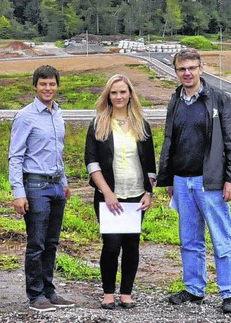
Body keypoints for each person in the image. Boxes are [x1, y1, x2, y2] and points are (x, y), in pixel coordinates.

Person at [156, 48, 231, 314]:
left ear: (201, 69)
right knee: (190, 240)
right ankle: (194, 289)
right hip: (182, 182)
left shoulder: (219, 100)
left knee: (221, 238)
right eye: (182, 69)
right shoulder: (176, 100)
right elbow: (170, 140)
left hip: (211, 182)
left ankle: (230, 293)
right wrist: (169, 177)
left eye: (192, 67)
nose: (187, 73)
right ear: (176, 71)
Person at [84, 74, 156, 310]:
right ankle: (107, 293)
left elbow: (150, 164)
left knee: (132, 244)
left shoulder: (141, 124)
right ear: (108, 95)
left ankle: (126, 293)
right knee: (112, 245)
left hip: (136, 195)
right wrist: (107, 192)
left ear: (130, 94)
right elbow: (92, 163)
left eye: (123, 92)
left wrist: (149, 192)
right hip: (108, 196)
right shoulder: (98, 124)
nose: (119, 96)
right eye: (114, 92)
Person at [8, 65, 75, 312]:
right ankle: (36, 295)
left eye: (52, 84)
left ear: (57, 86)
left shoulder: (58, 113)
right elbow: (15, 156)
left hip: (56, 185)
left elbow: (58, 151)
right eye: (43, 84)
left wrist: (65, 182)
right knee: (36, 242)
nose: (48, 88)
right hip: (35, 185)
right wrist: (19, 192)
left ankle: (49, 291)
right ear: (35, 86)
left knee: (52, 242)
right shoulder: (26, 116)